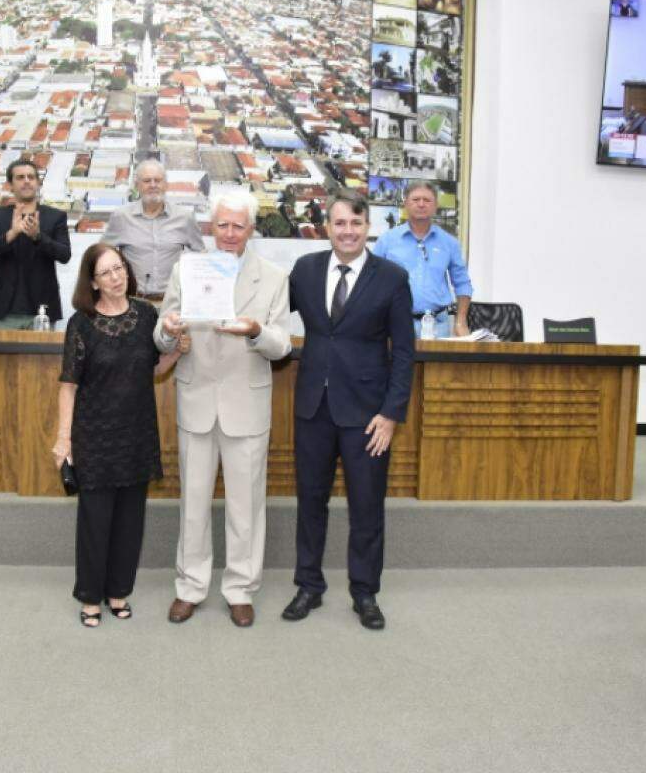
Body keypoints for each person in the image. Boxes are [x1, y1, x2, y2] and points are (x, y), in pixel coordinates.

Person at [155, 190, 291, 628]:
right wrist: (169, 330)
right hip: (196, 401)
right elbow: (162, 335)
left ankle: (240, 589)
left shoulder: (272, 278)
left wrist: (255, 331)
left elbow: (282, 344)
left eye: (238, 226)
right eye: (222, 225)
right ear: (210, 228)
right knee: (192, 504)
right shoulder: (186, 270)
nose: (229, 234)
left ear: (251, 229)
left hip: (246, 406)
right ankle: (190, 587)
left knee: (245, 508)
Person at [281, 193, 413, 631]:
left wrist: (392, 413)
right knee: (310, 502)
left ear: (367, 225)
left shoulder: (392, 277)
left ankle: (365, 592)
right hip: (313, 409)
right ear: (328, 227)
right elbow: (269, 309)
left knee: (367, 507)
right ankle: (308, 586)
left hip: (368, 416)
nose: (348, 231)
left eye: (356, 222)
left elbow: (404, 353)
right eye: (339, 223)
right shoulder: (305, 270)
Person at [53, 243, 188, 627]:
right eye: (107, 272)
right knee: (95, 521)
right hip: (94, 435)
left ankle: (118, 592)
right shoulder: (81, 323)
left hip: (136, 433)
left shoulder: (147, 315)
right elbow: (68, 385)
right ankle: (91, 597)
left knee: (131, 521)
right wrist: (64, 440)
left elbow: (155, 367)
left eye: (120, 268)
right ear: (92, 282)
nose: (117, 277)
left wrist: (177, 351)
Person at [0, 159, 71, 328]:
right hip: (5, 311)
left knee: (42, 356)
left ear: (38, 183)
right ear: (10, 185)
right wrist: (11, 234)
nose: (26, 181)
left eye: (31, 177)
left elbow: (65, 255)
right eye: (20, 177)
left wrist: (38, 237)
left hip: (42, 311)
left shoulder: (55, 217)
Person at [372, 181, 472, 338]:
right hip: (396, 324)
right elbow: (371, 282)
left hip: (439, 326)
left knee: (438, 364)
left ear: (435, 205)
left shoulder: (449, 243)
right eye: (416, 199)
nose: (421, 204)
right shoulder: (387, 241)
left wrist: (460, 321)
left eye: (427, 200)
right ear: (406, 203)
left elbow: (462, 284)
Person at [102, 159, 204, 301]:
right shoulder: (121, 217)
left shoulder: (185, 218)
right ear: (137, 185)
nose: (153, 185)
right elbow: (102, 257)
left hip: (172, 303)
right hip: (133, 302)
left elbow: (202, 256)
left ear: (166, 185)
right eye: (147, 181)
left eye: (158, 180)